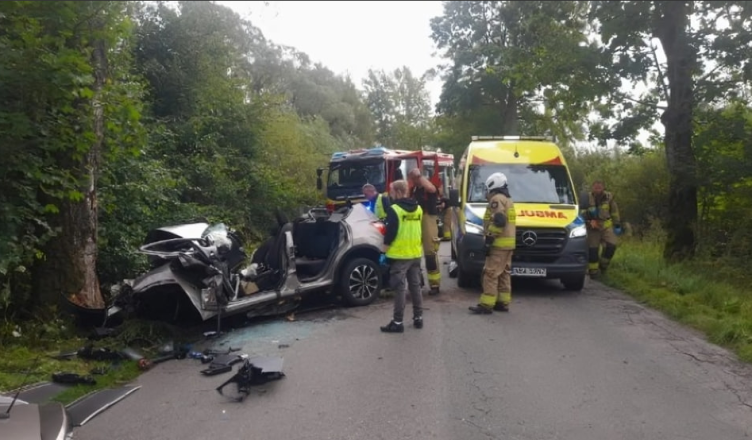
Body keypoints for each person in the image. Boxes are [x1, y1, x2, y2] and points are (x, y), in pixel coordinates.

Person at [380, 179, 424, 333]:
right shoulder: (418, 208)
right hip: (415, 253)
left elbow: (390, 234)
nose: (390, 194)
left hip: (399, 256)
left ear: (398, 192)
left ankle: (398, 322)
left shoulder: (394, 210)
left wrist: (383, 253)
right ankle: (418, 318)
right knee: (415, 287)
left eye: (392, 191)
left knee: (399, 289)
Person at [469, 172, 516, 314]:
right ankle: (502, 302)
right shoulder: (508, 200)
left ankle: (486, 304)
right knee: (504, 273)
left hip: (498, 244)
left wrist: (489, 239)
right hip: (508, 244)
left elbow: (499, 221)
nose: (486, 192)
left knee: (490, 273)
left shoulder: (496, 199)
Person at [408, 167, 441, 295]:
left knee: (430, 253)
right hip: (416, 220)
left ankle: (434, 284)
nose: (413, 180)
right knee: (414, 254)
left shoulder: (428, 187)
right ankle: (418, 282)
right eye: (412, 178)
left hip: (428, 219)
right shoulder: (414, 190)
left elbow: (432, 189)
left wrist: (419, 176)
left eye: (414, 178)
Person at [581, 180, 622, 279]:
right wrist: (589, 219)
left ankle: (603, 267)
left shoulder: (609, 197)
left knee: (611, 246)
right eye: (596, 187)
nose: (598, 188)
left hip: (606, 226)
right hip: (592, 227)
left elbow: (614, 212)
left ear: (603, 187)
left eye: (600, 187)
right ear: (592, 187)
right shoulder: (586, 197)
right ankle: (593, 272)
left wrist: (617, 224)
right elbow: (581, 212)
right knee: (593, 250)